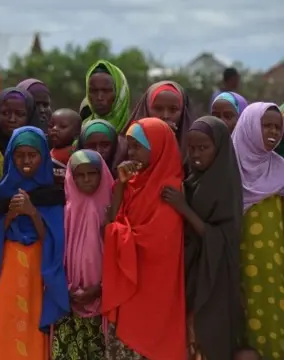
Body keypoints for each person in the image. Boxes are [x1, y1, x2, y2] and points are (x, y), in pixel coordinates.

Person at [0, 126, 69, 360]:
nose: (26, 161)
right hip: (9, 267)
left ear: (43, 157)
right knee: (7, 317)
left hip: (39, 269)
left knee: (34, 318)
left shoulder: (54, 193)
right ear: (11, 156)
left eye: (32, 155)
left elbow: (54, 239)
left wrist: (32, 212)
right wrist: (10, 216)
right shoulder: (1, 193)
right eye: (19, 155)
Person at [103, 118, 185, 359]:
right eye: (129, 146)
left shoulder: (171, 188)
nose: (132, 152)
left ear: (158, 146)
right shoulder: (132, 183)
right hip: (129, 286)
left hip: (154, 289)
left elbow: (157, 242)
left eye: (138, 146)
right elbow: (112, 222)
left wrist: (116, 232)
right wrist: (119, 185)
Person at [162, 116, 243, 359]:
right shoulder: (188, 177)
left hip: (216, 273)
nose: (196, 154)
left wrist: (184, 208)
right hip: (188, 269)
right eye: (192, 148)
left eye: (204, 148)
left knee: (209, 334)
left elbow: (223, 237)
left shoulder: (225, 183)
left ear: (218, 149)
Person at [231, 102, 284, 358]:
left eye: (278, 127)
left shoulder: (281, 169)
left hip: (274, 267)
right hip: (234, 263)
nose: (272, 132)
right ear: (250, 126)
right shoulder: (228, 168)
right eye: (266, 125)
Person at [52, 149, 114, 360]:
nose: (87, 179)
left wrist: (101, 288)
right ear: (71, 176)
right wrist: (66, 288)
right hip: (70, 301)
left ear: (102, 174)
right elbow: (57, 252)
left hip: (105, 300)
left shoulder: (112, 209)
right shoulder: (66, 209)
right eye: (80, 175)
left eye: (93, 173)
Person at [129, 81, 194, 155]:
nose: (165, 116)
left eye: (173, 109)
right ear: (147, 109)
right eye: (158, 109)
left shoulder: (195, 148)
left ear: (182, 111)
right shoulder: (128, 146)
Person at [0, 87, 41, 154]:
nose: (12, 119)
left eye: (19, 114)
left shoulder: (41, 150)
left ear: (30, 116)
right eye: (6, 113)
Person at [84, 60, 130, 133]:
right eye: (93, 91)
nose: (99, 97)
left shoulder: (134, 134)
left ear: (120, 93)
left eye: (106, 91)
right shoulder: (80, 131)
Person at [49, 108, 82, 180]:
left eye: (62, 126)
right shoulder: (46, 150)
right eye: (51, 126)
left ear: (77, 134)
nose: (54, 129)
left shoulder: (75, 154)